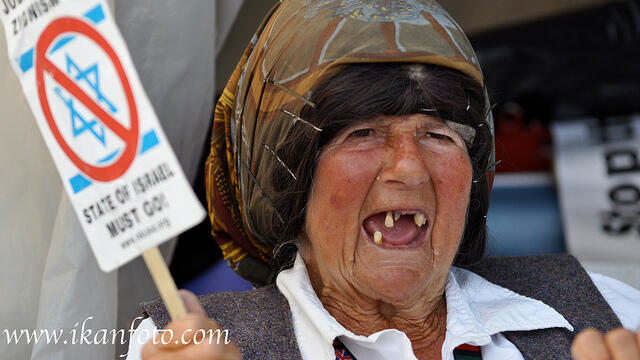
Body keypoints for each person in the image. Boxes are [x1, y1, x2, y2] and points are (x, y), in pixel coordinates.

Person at [127, 1, 640, 359]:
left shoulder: (603, 310)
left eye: (438, 135)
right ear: (286, 180)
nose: (410, 167)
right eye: (363, 133)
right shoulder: (180, 346)